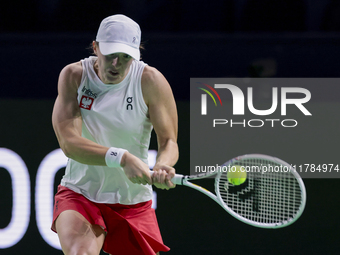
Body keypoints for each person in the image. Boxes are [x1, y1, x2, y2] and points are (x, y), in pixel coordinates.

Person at [51, 14, 178, 255]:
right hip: (81, 194)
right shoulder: (74, 76)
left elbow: (169, 141)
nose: (116, 64)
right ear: (96, 47)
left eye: (126, 57)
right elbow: (69, 143)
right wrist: (123, 158)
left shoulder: (150, 81)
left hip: (132, 203)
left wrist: (163, 165)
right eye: (110, 55)